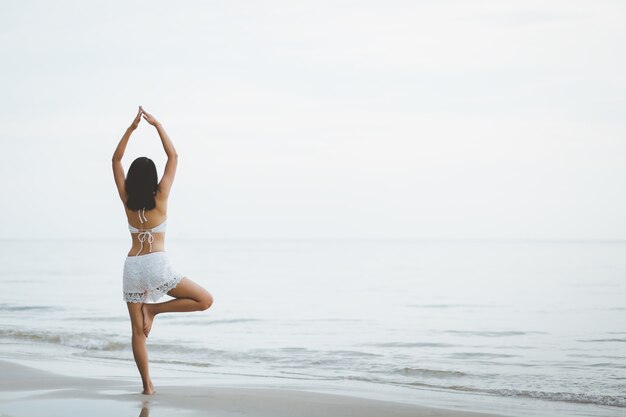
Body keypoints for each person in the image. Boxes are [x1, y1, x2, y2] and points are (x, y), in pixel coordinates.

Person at [112, 106, 213, 395]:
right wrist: (156, 125)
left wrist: (131, 129)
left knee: (136, 333)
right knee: (205, 300)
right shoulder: (161, 195)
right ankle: (155, 310)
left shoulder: (126, 197)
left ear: (132, 178)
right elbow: (174, 157)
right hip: (156, 264)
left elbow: (116, 159)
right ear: (153, 177)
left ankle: (147, 387)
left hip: (132, 266)